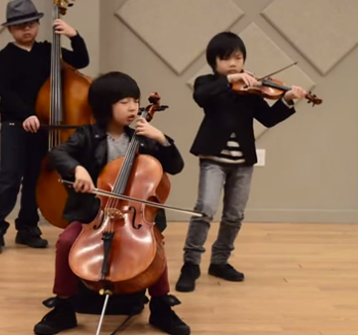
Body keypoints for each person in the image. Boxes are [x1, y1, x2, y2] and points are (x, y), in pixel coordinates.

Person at [33, 72, 190, 335]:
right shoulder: (87, 135)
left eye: (135, 101)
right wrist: (78, 170)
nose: (132, 108)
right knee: (66, 242)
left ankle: (162, 306)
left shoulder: (144, 136)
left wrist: (161, 138)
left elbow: (175, 166)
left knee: (155, 244)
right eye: (124, 102)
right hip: (95, 214)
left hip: (135, 217)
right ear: (106, 106)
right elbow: (58, 153)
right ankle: (63, 307)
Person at [175, 31, 308, 292]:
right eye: (226, 59)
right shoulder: (208, 84)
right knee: (205, 209)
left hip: (243, 162)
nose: (233, 64)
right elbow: (201, 97)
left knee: (235, 215)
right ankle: (190, 264)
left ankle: (220, 261)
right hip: (213, 158)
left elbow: (267, 119)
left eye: (238, 58)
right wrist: (230, 80)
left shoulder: (252, 89)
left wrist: (287, 100)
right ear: (214, 63)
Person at [0, 0, 90, 255]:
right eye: (20, 26)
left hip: (44, 126)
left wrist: (74, 36)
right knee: (10, 175)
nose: (26, 30)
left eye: (31, 24)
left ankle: (28, 228)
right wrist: (26, 114)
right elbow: (6, 94)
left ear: (39, 24)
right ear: (10, 30)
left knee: (34, 177)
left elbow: (82, 61)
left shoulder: (49, 51)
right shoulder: (4, 58)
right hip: (15, 123)